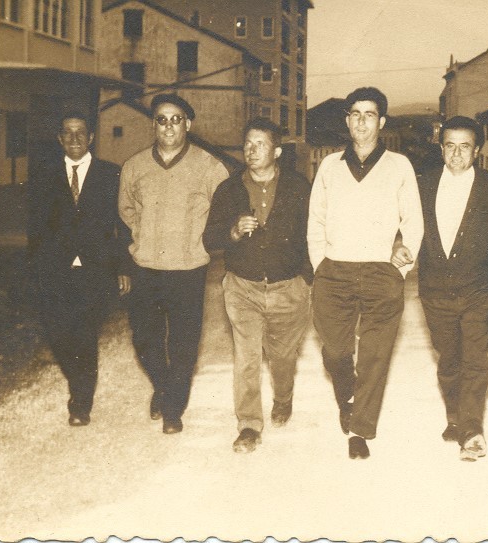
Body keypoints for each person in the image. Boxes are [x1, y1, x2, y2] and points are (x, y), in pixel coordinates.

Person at [308, 87, 424, 459]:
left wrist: (400, 270)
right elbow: (315, 221)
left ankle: (360, 429)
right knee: (336, 352)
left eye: (369, 114)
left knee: (375, 354)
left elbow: (414, 222)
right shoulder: (329, 166)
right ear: (347, 120)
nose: (361, 122)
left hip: (381, 272)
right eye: (355, 114)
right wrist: (320, 265)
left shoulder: (399, 166)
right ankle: (347, 395)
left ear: (382, 122)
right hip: (334, 270)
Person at [395, 115, 488, 461]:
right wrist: (399, 245)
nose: (457, 154)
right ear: (441, 148)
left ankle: (472, 430)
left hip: (479, 291)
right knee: (448, 359)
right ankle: (455, 416)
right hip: (435, 291)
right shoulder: (422, 185)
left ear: (477, 151)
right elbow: (403, 226)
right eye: (450, 146)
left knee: (474, 359)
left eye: (465, 147)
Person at [119, 93, 229, 434]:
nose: (169, 126)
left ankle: (173, 409)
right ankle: (163, 385)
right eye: (162, 120)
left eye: (176, 119)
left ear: (188, 124)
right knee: (144, 339)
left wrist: (199, 241)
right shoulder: (134, 166)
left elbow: (224, 211)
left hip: (188, 269)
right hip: (146, 266)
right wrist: (143, 237)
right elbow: (126, 211)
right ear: (154, 125)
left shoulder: (210, 167)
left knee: (183, 343)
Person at [203, 118, 312, 453]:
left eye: (260, 144)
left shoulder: (298, 187)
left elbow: (314, 233)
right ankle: (249, 425)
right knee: (247, 357)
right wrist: (233, 232)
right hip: (243, 287)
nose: (251, 150)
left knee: (282, 358)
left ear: (276, 151)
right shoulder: (229, 189)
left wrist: (306, 279)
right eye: (248, 144)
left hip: (288, 288)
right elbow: (209, 238)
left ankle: (283, 398)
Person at [28, 111, 132, 426]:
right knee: (58, 334)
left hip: (95, 270)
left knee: (84, 334)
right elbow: (36, 227)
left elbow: (123, 225)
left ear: (91, 138)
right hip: (55, 271)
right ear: (59, 138)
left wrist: (123, 266)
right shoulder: (44, 175)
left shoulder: (110, 174)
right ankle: (77, 380)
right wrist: (35, 269)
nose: (74, 138)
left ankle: (81, 403)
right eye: (67, 132)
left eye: (80, 132)